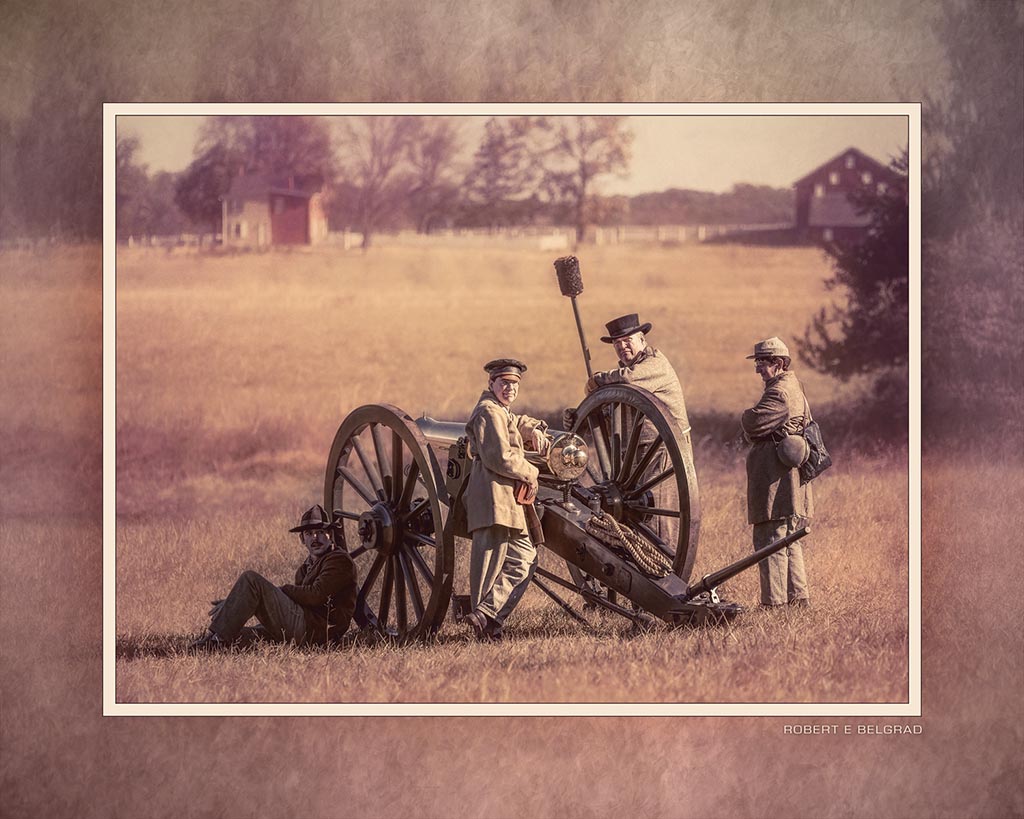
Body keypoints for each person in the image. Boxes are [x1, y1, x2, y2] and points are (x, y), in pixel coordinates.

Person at [568, 313, 692, 550]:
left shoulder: (654, 365)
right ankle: (643, 563)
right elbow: (613, 410)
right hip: (636, 455)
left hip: (663, 449)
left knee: (658, 515)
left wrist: (599, 380)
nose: (622, 346)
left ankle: (666, 569)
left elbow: (628, 380)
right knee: (636, 514)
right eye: (617, 343)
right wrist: (578, 418)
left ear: (642, 339)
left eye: (628, 340)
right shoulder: (626, 373)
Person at [463, 358, 551, 641]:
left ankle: (487, 615)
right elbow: (500, 457)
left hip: (508, 501)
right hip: (491, 496)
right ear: (491, 384)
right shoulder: (488, 411)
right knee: (489, 565)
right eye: (504, 384)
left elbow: (515, 422)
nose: (510, 389)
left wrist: (533, 429)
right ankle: (486, 630)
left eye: (514, 385)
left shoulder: (500, 410)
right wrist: (532, 471)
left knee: (525, 558)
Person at [188, 504, 358, 651]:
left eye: (321, 532)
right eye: (309, 533)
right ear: (301, 539)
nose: (315, 538)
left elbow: (316, 596)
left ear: (330, 535)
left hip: (317, 632)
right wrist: (234, 604)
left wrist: (279, 590)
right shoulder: (304, 569)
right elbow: (299, 601)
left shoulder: (339, 560)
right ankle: (214, 640)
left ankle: (215, 641)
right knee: (238, 634)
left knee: (251, 580)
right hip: (301, 627)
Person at [740, 337, 813, 608]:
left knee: (769, 540)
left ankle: (773, 605)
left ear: (779, 363)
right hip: (789, 479)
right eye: (757, 362)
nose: (758, 369)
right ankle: (798, 599)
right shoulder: (795, 386)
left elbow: (753, 422)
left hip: (775, 479)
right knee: (790, 539)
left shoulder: (779, 392)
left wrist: (746, 416)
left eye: (763, 362)